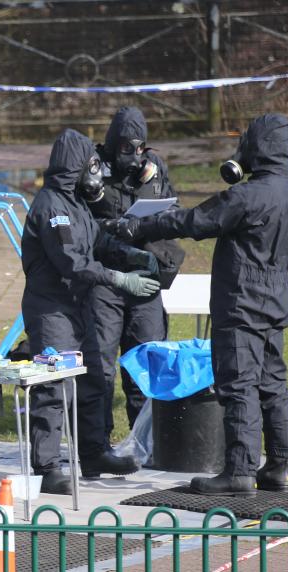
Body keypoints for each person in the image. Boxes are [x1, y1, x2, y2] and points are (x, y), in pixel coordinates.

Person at [106, 113, 288, 496]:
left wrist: (140, 227)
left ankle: (239, 470)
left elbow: (193, 221)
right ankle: (279, 463)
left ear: (255, 149)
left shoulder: (246, 196)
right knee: (273, 381)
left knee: (238, 383)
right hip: (276, 297)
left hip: (241, 302)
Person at [21, 129, 161, 495]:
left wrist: (129, 254)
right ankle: (47, 466)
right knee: (52, 387)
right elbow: (71, 261)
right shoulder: (51, 207)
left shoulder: (75, 203)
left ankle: (95, 452)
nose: (97, 173)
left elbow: (95, 238)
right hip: (52, 310)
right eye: (92, 165)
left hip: (78, 306)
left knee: (93, 379)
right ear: (75, 167)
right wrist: (119, 279)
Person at [89, 106, 184, 431]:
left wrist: (150, 221)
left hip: (145, 276)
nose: (134, 154)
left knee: (147, 359)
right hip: (106, 278)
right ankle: (98, 443)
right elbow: (80, 226)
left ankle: (147, 441)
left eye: (139, 147)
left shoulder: (155, 168)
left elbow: (175, 212)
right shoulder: (92, 168)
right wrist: (114, 227)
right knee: (100, 364)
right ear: (114, 144)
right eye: (126, 147)